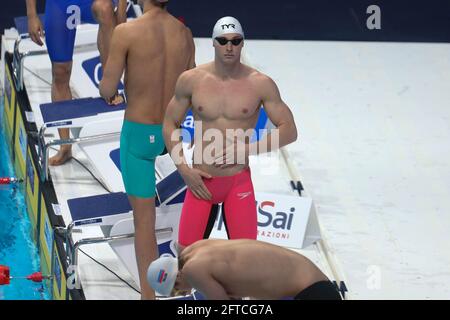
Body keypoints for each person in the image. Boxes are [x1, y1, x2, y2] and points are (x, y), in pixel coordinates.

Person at [163, 17, 298, 251]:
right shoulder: (191, 80)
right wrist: (183, 169)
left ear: (243, 43)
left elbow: (290, 130)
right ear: (213, 43)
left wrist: (247, 149)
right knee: (185, 258)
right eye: (223, 41)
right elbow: (170, 123)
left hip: (238, 182)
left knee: (244, 260)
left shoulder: (260, 84)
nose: (229, 47)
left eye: (235, 41)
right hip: (201, 183)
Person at [99, 0, 195, 299]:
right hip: (171, 132)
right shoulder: (184, 33)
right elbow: (192, 84)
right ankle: (183, 286)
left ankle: (149, 295)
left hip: (139, 135)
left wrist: (115, 93)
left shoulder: (127, 32)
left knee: (145, 221)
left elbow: (106, 89)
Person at [26, 0, 127, 165]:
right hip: (60, 4)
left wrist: (121, 16)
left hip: (91, 3)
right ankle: (65, 146)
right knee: (60, 72)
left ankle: (110, 86)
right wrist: (31, 15)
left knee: (105, 8)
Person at [147, 239, 342, 300]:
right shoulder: (196, 249)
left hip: (313, 293)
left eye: (178, 290)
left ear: (176, 277)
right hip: (315, 285)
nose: (184, 292)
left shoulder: (192, 270)